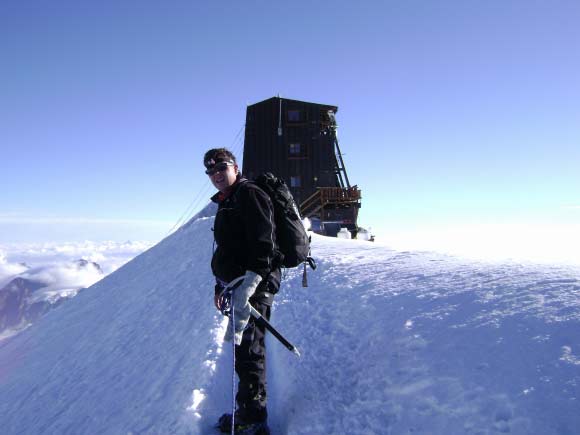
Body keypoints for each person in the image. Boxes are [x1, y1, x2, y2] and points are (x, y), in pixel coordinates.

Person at [204, 147, 281, 435]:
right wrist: (220, 285)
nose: (216, 175)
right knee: (243, 349)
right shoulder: (229, 200)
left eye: (221, 168)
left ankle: (253, 418)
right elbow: (227, 249)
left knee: (249, 350)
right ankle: (247, 409)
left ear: (235, 167)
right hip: (236, 287)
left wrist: (249, 285)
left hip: (253, 287)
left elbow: (265, 245)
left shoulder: (250, 195)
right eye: (210, 171)